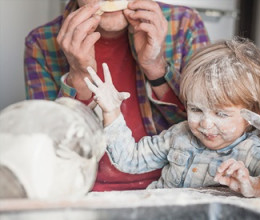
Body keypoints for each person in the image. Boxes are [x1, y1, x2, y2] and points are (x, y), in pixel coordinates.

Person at [24, 0, 210, 191]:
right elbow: (48, 151)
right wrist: (80, 75)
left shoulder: (185, 24)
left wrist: (156, 66)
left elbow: (209, 131)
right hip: (85, 190)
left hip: (173, 187)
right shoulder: (41, 42)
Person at [84, 38, 260, 198]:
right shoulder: (179, 135)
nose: (205, 123)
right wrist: (111, 113)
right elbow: (129, 159)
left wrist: (252, 185)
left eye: (221, 114)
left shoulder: (249, 151)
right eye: (196, 109)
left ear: (253, 116)